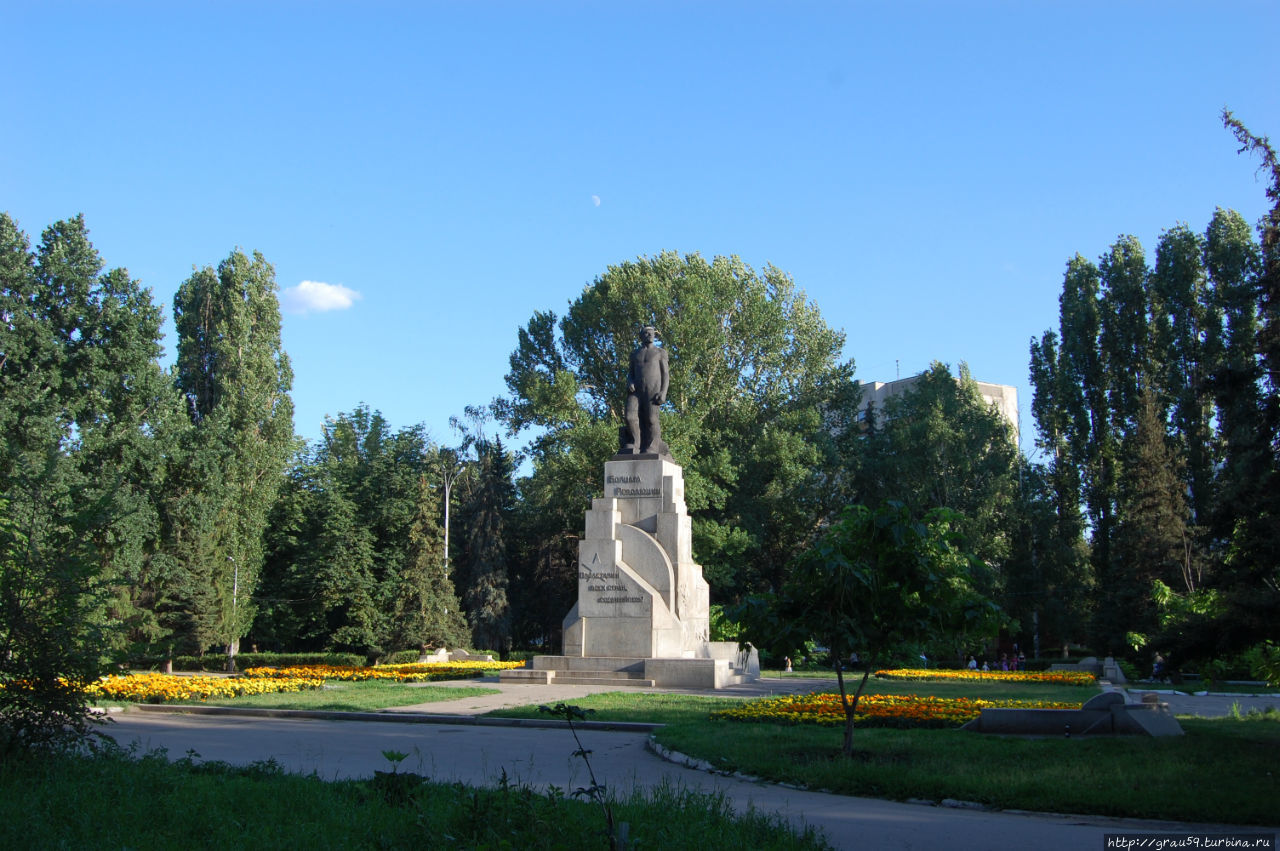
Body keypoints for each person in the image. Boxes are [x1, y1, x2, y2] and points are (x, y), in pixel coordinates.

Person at [624, 325, 670, 455]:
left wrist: (664, 392)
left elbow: (665, 374)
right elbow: (630, 373)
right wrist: (630, 381)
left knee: (651, 419)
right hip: (636, 390)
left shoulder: (660, 352)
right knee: (630, 417)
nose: (649, 335)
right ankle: (635, 444)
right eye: (646, 333)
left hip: (653, 389)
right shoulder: (635, 354)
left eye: (651, 333)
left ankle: (652, 446)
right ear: (641, 336)